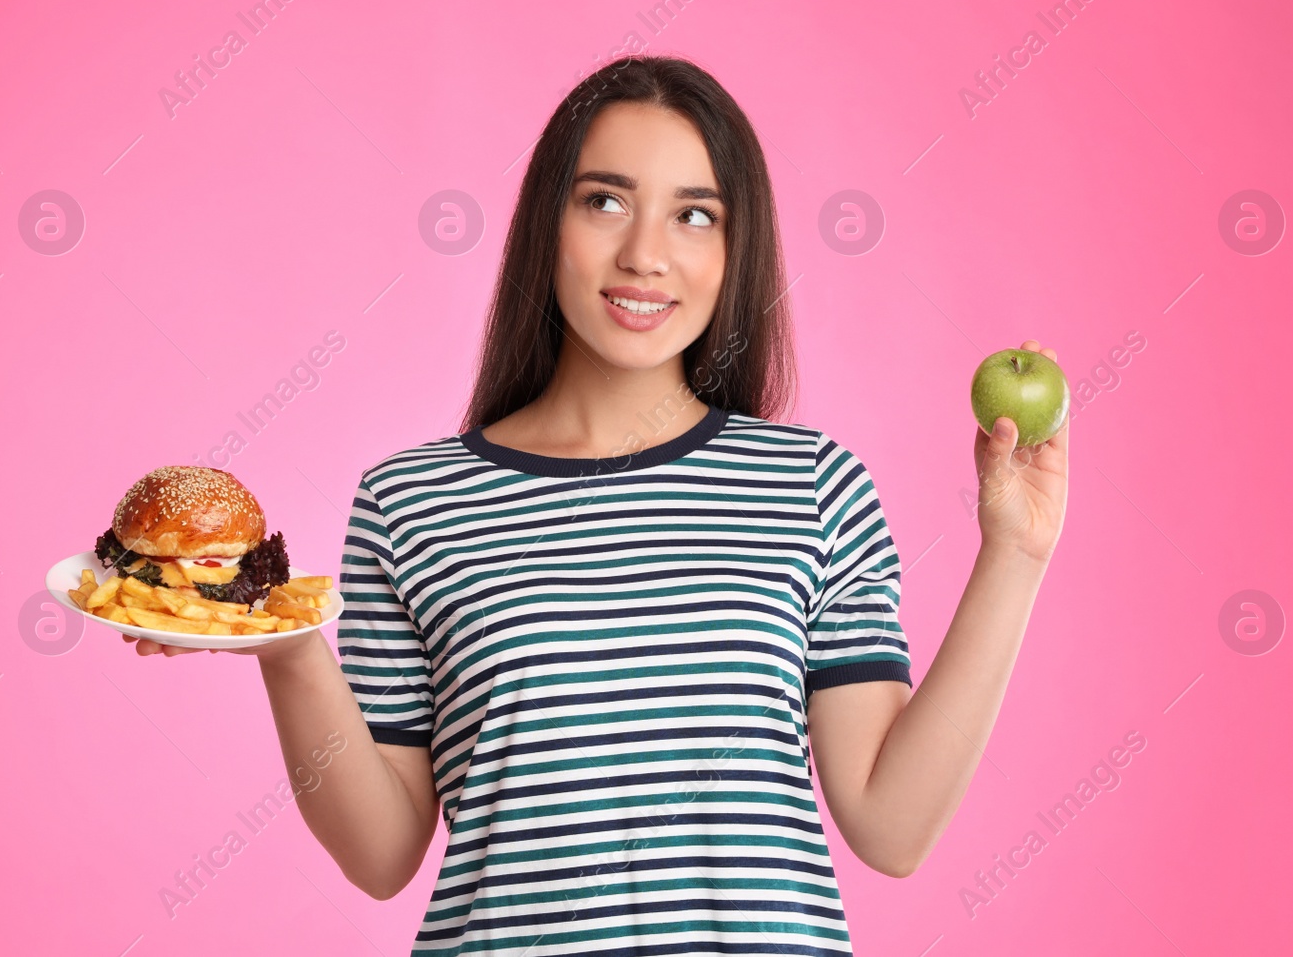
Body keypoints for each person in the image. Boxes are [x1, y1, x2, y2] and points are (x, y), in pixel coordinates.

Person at [127, 54, 1070, 955]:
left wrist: (1014, 558)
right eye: (606, 200)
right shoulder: (411, 502)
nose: (645, 254)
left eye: (695, 215)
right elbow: (381, 854)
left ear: (737, 249)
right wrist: (287, 649)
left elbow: (892, 825)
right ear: (551, 222)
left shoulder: (811, 486)